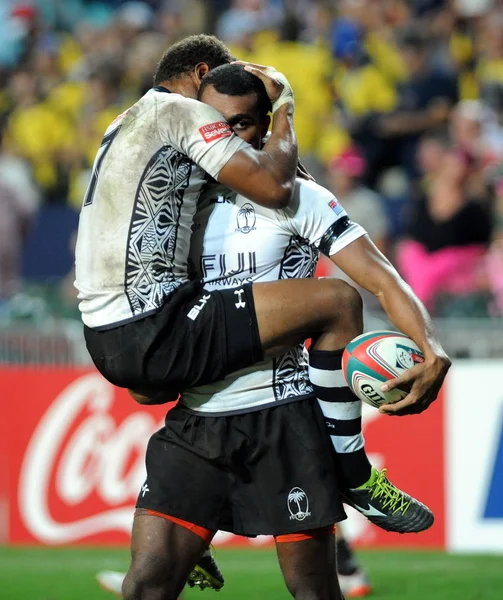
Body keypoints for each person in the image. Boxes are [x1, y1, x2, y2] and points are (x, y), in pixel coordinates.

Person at [121, 63, 449, 600]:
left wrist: (431, 346)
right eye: (215, 124)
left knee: (314, 591)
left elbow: (383, 280)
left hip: (284, 419)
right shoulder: (173, 204)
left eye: (243, 125)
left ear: (267, 127)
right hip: (198, 421)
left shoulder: (298, 196)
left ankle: (353, 472)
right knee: (148, 582)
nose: (226, 139)